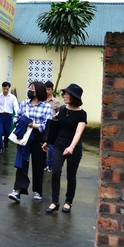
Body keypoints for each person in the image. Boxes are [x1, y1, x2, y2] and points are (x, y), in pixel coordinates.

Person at [45, 83, 87, 214]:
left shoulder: (82, 114)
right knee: (56, 172)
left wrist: (71, 147)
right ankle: (54, 202)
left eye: (67, 94)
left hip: (74, 147)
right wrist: (48, 142)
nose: (64, 96)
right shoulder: (62, 109)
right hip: (59, 145)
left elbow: (78, 133)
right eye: (65, 93)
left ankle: (68, 202)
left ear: (74, 97)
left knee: (71, 175)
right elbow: (55, 127)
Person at [8, 81, 53, 202]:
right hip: (24, 136)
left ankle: (38, 190)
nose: (30, 91)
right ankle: (17, 190)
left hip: (38, 137)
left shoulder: (47, 107)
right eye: (29, 88)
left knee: (38, 164)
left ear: (38, 91)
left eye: (32, 89)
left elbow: (47, 125)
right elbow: (16, 117)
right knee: (22, 163)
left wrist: (33, 124)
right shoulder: (24, 104)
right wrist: (20, 123)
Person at [0, 81, 19, 154]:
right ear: (2, 88)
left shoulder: (12, 97)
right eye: (4, 89)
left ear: (9, 89)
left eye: (7, 89)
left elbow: (16, 107)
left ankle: (6, 143)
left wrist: (18, 116)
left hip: (8, 116)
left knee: (7, 132)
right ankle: (0, 147)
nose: (5, 90)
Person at [44, 80, 62, 172]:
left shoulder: (56, 102)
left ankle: (50, 164)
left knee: (51, 146)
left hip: (51, 125)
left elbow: (60, 112)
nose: (47, 91)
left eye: (48, 89)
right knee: (42, 144)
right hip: (42, 125)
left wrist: (56, 116)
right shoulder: (41, 100)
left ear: (52, 90)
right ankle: (43, 164)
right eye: (45, 89)